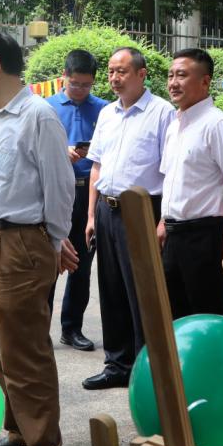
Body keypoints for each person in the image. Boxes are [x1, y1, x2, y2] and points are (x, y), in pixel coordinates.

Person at [0, 30, 77, 446]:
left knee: (25, 350)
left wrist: (52, 243)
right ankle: (19, 430)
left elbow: (61, 188)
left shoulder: (38, 116)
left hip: (21, 242)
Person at [83, 47, 175, 390]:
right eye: (110, 71)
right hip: (107, 209)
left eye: (121, 71)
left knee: (142, 292)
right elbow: (97, 166)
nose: (114, 78)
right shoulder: (107, 113)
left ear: (141, 74)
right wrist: (91, 214)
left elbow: (171, 171)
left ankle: (146, 369)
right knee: (111, 288)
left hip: (142, 210)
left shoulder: (162, 113)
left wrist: (163, 220)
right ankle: (116, 364)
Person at [159, 48, 223, 318]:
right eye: (170, 75)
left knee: (209, 316)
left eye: (182, 75)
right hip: (173, 235)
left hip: (205, 237)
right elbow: (172, 180)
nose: (173, 83)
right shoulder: (174, 126)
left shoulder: (217, 124)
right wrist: (163, 222)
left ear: (205, 81)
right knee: (175, 317)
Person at [45, 50, 108, 352]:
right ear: (64, 76)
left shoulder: (105, 110)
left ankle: (72, 328)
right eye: (75, 84)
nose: (81, 90)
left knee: (82, 263)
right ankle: (39, 329)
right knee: (48, 261)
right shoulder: (46, 108)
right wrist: (62, 152)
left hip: (89, 192)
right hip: (56, 191)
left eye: (86, 85)